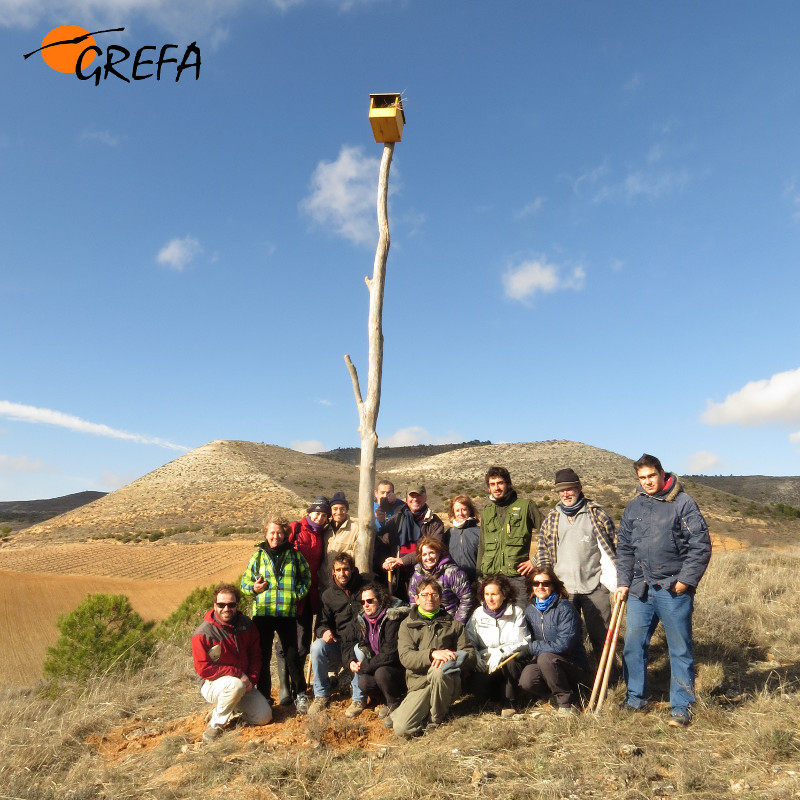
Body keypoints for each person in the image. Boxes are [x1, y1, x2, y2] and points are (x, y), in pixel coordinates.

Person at [616, 454, 712, 728]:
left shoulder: (682, 502)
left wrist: (685, 581)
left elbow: (700, 544)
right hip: (640, 588)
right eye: (642, 478)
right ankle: (635, 699)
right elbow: (624, 547)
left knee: (679, 648)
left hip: (672, 588)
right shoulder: (634, 506)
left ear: (661, 473)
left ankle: (682, 707)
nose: (647, 482)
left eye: (651, 476)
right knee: (634, 646)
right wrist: (623, 581)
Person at [536, 468, 617, 663]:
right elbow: (542, 552)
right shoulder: (552, 518)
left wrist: (613, 581)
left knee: (602, 637)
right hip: (564, 591)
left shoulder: (596, 514)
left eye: (570, 489)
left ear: (580, 488)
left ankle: (610, 679)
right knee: (568, 639)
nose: (565, 494)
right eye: (561, 490)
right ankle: (577, 678)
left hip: (595, 587)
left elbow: (614, 547)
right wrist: (548, 585)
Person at [240, 516, 311, 714]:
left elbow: (306, 578)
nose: (275, 536)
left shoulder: (295, 556)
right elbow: (244, 584)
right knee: (262, 655)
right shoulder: (258, 557)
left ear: (285, 534)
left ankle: (300, 693)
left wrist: (296, 594)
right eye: (272, 532)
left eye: (279, 532)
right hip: (263, 613)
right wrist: (254, 588)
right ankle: (264, 696)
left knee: (292, 654)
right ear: (266, 534)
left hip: (287, 612)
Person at [393, 576, 476, 738]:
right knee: (402, 729)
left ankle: (436, 719)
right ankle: (403, 712)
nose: (429, 598)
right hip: (420, 683)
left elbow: (470, 654)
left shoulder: (453, 624)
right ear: (416, 599)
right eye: (424, 595)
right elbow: (406, 657)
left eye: (434, 594)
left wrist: (453, 658)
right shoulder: (407, 625)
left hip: (447, 681)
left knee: (439, 671)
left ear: (440, 599)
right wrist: (431, 655)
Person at [192, 584, 272, 743]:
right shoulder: (203, 634)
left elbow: (256, 656)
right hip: (213, 684)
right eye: (221, 605)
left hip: (242, 684)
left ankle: (230, 709)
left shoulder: (247, 625)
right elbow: (204, 669)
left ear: (237, 605)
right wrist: (238, 674)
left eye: (231, 604)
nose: (226, 608)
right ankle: (215, 724)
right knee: (235, 685)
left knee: (264, 717)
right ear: (214, 605)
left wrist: (252, 679)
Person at [274, 497, 329, 705]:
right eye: (317, 513)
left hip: (309, 594)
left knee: (303, 640)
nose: (319, 517)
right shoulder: (295, 529)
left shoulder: (323, 534)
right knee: (285, 640)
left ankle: (298, 685)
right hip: (289, 595)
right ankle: (285, 687)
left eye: (324, 514)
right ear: (309, 512)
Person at [519, 566, 589, 714]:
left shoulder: (565, 609)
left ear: (554, 585)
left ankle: (566, 704)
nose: (540, 587)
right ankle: (553, 696)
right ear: (531, 586)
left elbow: (564, 645)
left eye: (546, 583)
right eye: (536, 583)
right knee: (527, 679)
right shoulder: (530, 610)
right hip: (547, 664)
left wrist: (531, 647)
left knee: (545, 658)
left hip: (573, 664)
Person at [309, 552, 370, 717]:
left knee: (360, 651)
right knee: (317, 647)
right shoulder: (328, 595)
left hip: (360, 641)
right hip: (339, 643)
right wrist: (324, 631)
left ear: (352, 570)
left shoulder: (365, 587)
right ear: (333, 572)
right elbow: (320, 624)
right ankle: (321, 694)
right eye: (339, 570)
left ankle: (359, 698)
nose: (343, 573)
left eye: (346, 569)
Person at [343, 582, 408, 727]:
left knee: (381, 673)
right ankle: (386, 701)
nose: (366, 605)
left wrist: (364, 667)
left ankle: (395, 706)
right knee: (363, 682)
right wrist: (350, 661)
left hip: (398, 670)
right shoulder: (361, 619)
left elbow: (389, 654)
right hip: (378, 667)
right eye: (363, 602)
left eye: (370, 601)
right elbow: (347, 640)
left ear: (380, 600)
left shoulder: (392, 618)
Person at [465, 573, 530, 717]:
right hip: (486, 660)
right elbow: (469, 640)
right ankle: (493, 699)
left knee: (511, 664)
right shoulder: (478, 614)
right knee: (477, 683)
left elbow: (522, 641)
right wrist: (475, 655)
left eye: (494, 594)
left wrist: (501, 651)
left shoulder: (516, 613)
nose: (490, 598)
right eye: (487, 594)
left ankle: (510, 702)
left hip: (509, 660)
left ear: (504, 595)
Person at [478, 466, 543, 600]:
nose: (497, 488)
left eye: (500, 483)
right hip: (491, 578)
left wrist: (535, 561)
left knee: (520, 617)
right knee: (494, 619)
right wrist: (478, 577)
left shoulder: (526, 506)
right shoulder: (487, 511)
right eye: (492, 484)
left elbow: (549, 534)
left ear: (508, 484)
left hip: (517, 577)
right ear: (489, 488)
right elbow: (482, 546)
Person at [375, 484, 445, 601]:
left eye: (419, 496)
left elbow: (434, 548)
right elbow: (382, 544)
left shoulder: (435, 523)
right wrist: (384, 561)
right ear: (406, 498)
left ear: (425, 497)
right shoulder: (396, 519)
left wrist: (403, 561)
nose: (415, 499)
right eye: (412, 496)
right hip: (397, 577)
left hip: (425, 577)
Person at [408, 536, 474, 623]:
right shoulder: (417, 574)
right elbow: (413, 598)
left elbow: (467, 598)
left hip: (448, 620)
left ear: (439, 553)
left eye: (431, 553)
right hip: (424, 621)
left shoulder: (452, 572)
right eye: (424, 554)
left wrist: (457, 624)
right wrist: (416, 619)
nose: (428, 557)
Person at [320, 491, 359, 591]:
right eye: (335, 509)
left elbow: (358, 556)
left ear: (346, 510)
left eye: (342, 509)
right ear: (331, 510)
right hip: (325, 582)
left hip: (345, 583)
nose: (339, 512)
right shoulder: (325, 530)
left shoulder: (355, 529)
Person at [445, 495, 481, 584]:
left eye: (464, 509)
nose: (460, 513)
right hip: (453, 583)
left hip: (476, 583)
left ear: (470, 511)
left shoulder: (479, 532)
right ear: (453, 512)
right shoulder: (448, 534)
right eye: (457, 510)